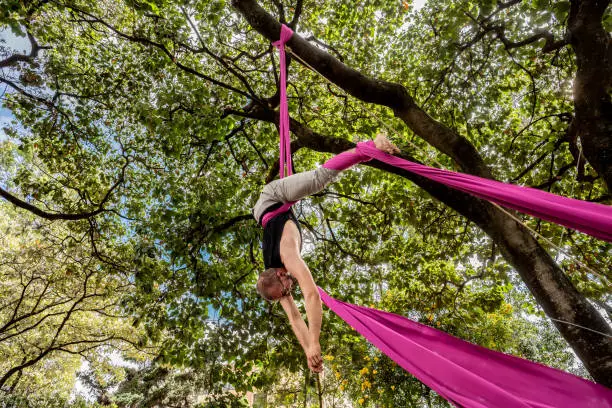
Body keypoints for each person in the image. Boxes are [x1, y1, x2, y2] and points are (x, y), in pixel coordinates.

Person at [252, 134, 400, 372]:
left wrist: (316, 340)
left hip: (272, 197)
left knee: (320, 179)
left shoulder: (288, 258)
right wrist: (309, 349)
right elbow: (294, 318)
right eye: (286, 293)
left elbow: (311, 295)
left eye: (286, 289)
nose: (290, 291)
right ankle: (364, 152)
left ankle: (369, 147)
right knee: (317, 182)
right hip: (265, 214)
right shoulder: (276, 281)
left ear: (279, 275)